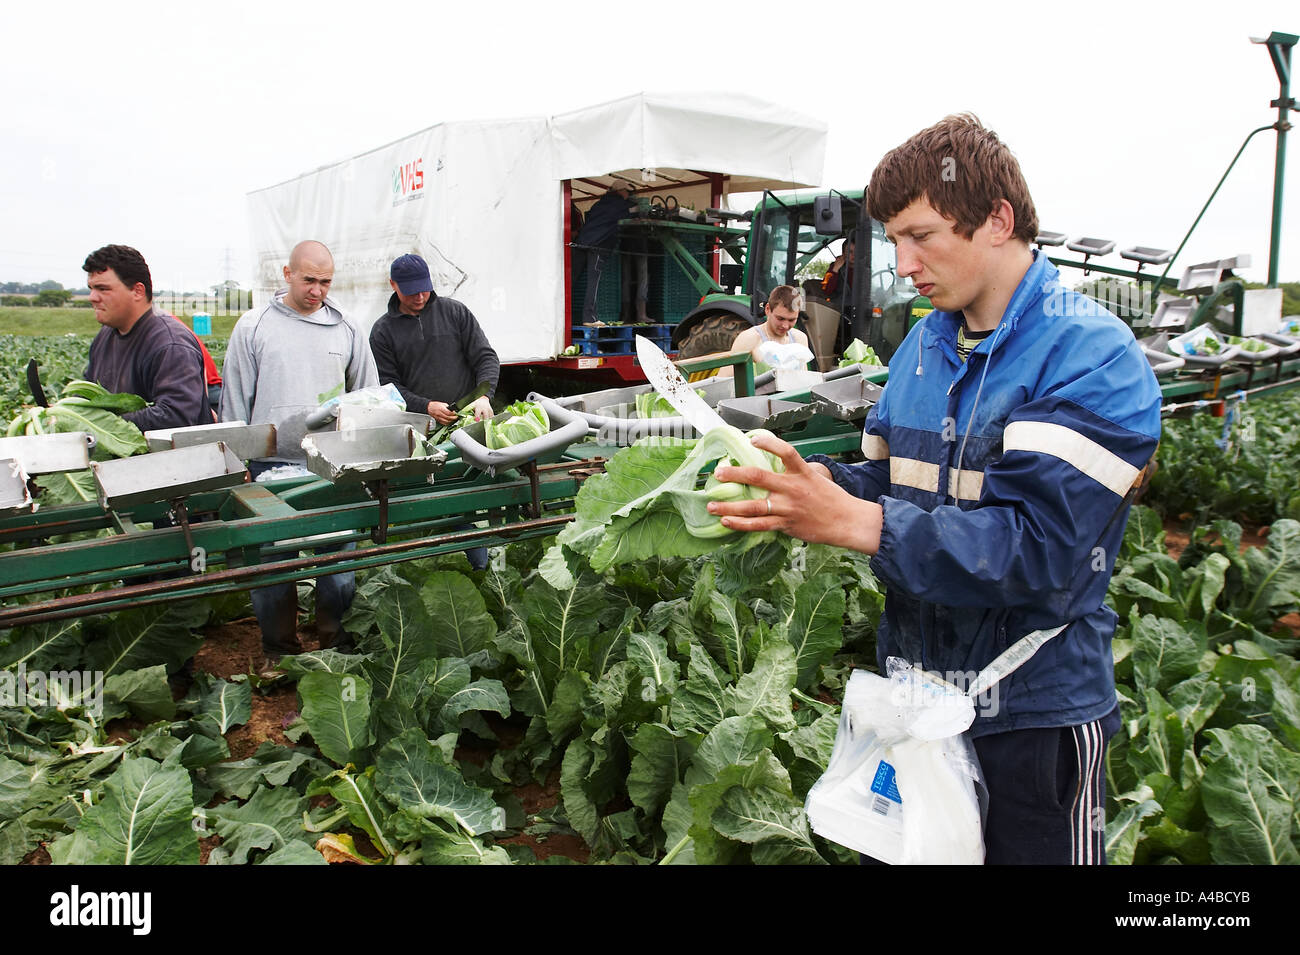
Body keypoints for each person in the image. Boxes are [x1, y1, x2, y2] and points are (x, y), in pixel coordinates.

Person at [707, 115, 1162, 865]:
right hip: (919, 702)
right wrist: (816, 487)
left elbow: (1036, 551)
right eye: (892, 238)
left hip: (1033, 716)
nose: (903, 260)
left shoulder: (1090, 354)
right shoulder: (924, 343)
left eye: (920, 235)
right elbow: (896, 482)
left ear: (997, 220)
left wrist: (859, 521)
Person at [220, 240, 379, 659]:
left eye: (326, 282)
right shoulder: (254, 327)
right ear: (287, 275)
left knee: (339, 564)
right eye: (309, 280)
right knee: (273, 564)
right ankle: (279, 651)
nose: (318, 290)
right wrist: (237, 467)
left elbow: (368, 398)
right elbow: (235, 406)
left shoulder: (346, 329)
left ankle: (336, 644)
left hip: (330, 466)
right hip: (269, 466)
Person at [369, 252, 498, 570]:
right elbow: (389, 386)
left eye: (424, 288)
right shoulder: (383, 331)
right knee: (430, 504)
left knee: (471, 498)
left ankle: (482, 566)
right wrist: (425, 406)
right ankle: (427, 568)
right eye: (411, 291)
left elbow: (486, 358)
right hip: (421, 432)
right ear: (393, 286)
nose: (420, 296)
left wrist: (484, 396)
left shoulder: (455, 313)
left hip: (468, 429)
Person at [82, 245, 210, 431]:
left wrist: (99, 424)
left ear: (137, 291)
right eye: (91, 288)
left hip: (175, 458)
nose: (92, 297)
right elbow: (88, 396)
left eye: (103, 288)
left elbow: (176, 416)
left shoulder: (169, 343)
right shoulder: (105, 336)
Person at [572, 181, 642, 325]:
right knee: (593, 282)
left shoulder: (599, 204)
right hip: (598, 245)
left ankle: (560, 315)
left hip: (581, 243)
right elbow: (638, 211)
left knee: (571, 281)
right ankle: (589, 318)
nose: (629, 195)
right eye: (628, 192)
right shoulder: (621, 205)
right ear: (620, 191)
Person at [718, 285, 810, 379]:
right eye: (780, 318)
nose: (785, 325)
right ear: (767, 309)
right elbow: (724, 378)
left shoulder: (800, 339)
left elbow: (804, 378)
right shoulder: (750, 338)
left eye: (791, 320)